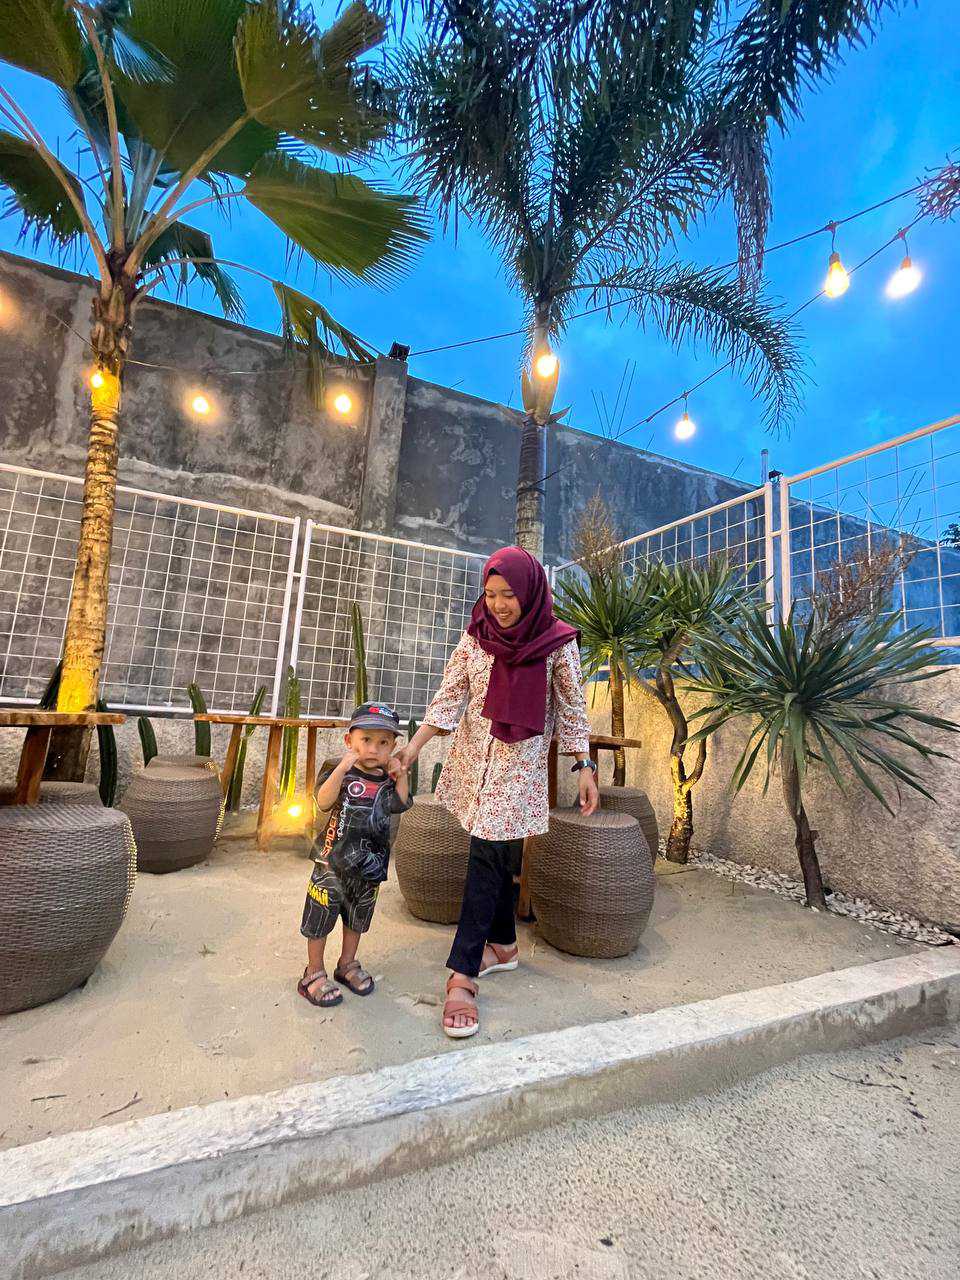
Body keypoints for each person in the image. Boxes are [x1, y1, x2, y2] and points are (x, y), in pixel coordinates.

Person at [396, 545, 598, 1039]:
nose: (499, 605)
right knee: (497, 852)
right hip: (474, 760)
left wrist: (584, 765)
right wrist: (414, 748)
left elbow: (571, 707)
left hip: (517, 768)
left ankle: (462, 972)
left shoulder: (556, 643)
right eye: (490, 594)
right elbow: (450, 696)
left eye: (509, 594)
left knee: (485, 855)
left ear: (530, 591)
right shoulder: (476, 636)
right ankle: (504, 945)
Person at [298, 702, 412, 1008]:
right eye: (366, 740)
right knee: (320, 918)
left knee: (357, 919)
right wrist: (342, 768)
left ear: (392, 747)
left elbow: (400, 804)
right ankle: (313, 972)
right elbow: (323, 802)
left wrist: (401, 775)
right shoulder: (340, 772)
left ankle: (346, 964)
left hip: (370, 866)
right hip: (331, 864)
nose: (374, 748)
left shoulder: (387, 780)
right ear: (349, 741)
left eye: (383, 742)